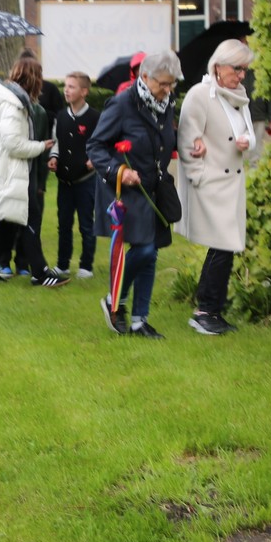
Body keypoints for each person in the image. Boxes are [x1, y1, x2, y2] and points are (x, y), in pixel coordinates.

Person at [90, 50, 181, 338]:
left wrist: (186, 145)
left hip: (153, 187)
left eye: (172, 84)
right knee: (144, 248)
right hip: (125, 188)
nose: (167, 90)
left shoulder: (165, 103)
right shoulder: (121, 104)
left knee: (150, 252)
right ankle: (114, 299)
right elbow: (95, 147)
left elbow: (162, 140)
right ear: (144, 76)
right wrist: (119, 171)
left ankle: (140, 320)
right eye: (162, 84)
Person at [178, 39, 255, 336]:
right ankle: (205, 311)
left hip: (232, 182)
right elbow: (187, 139)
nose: (242, 75)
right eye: (237, 68)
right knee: (222, 246)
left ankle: (212, 310)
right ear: (219, 66)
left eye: (244, 69)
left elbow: (246, 132)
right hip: (211, 182)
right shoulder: (200, 94)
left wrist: (248, 142)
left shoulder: (238, 94)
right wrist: (198, 176)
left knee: (226, 247)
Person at [0, 54, 66, 288]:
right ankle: (40, 273)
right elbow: (13, 144)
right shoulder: (13, 106)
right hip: (9, 172)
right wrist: (41, 146)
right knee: (30, 217)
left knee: (6, 223)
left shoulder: (15, 102)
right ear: (32, 79)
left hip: (8, 171)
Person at [48, 71, 100, 279]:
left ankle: (86, 265)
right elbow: (56, 141)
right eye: (65, 86)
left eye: (71, 87)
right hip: (64, 181)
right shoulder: (61, 116)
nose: (66, 90)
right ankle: (62, 264)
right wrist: (54, 157)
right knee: (64, 224)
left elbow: (102, 142)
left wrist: (94, 159)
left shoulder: (95, 117)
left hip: (85, 181)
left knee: (86, 224)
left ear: (84, 92)